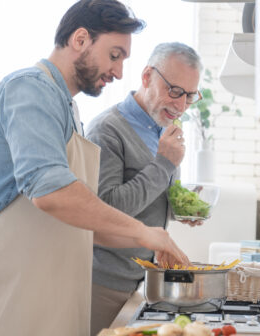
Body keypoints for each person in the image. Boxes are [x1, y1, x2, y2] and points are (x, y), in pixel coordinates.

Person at [0, 2, 190, 336]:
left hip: (48, 287)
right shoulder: (29, 89)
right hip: (13, 286)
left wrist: (156, 240)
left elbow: (93, 225)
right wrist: (143, 232)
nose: (119, 72)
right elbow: (52, 192)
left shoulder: (66, 106)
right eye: (115, 55)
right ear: (80, 39)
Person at [85, 42, 203, 335]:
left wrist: (179, 208)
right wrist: (164, 163)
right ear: (147, 76)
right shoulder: (107, 130)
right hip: (103, 284)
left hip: (143, 282)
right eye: (174, 91)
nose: (180, 105)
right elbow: (106, 210)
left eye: (189, 96)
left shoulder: (162, 128)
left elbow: (148, 196)